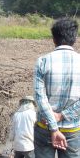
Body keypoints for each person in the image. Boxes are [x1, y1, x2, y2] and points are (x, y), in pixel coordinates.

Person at [34, 18, 80, 158]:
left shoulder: (43, 61)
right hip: (72, 128)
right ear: (75, 38)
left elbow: (40, 98)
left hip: (45, 127)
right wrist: (62, 116)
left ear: (54, 39)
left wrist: (54, 127)